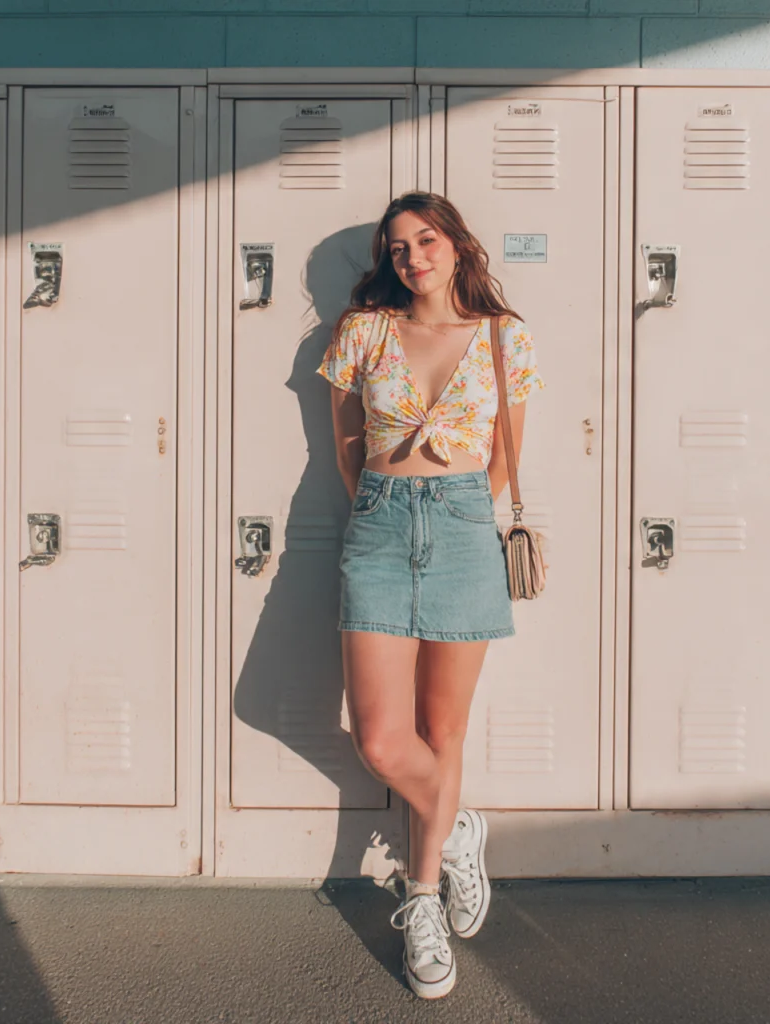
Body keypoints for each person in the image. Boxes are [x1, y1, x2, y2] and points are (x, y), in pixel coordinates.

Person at [317, 191, 544, 999]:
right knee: (383, 740)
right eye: (398, 246)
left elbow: (505, 454)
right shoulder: (364, 331)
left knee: (443, 730)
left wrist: (454, 508)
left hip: (461, 528)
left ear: (457, 245)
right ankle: (458, 832)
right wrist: (384, 501)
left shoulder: (502, 336)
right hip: (379, 526)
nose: (412, 256)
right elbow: (346, 445)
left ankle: (421, 903)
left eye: (425, 240)